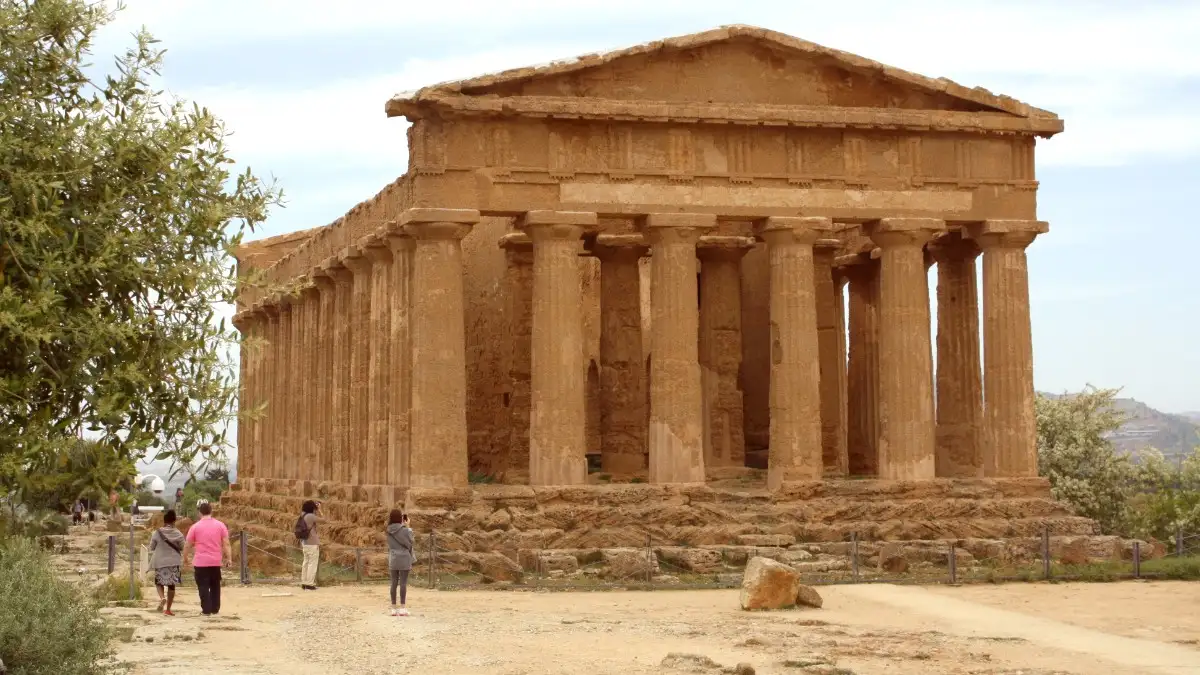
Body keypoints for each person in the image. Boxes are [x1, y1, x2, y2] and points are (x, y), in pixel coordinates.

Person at [183, 499, 230, 616]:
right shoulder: (220, 525)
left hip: (200, 562)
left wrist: (185, 557)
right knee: (215, 585)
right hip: (215, 561)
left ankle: (206, 609)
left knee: (203, 586)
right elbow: (226, 543)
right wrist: (229, 558)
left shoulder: (195, 527)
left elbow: (188, 544)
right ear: (211, 511)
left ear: (199, 512)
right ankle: (215, 608)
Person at [149, 510, 186, 616]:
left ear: (164, 521)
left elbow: (152, 547)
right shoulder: (178, 533)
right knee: (171, 586)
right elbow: (183, 547)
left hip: (160, 562)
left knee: (158, 582)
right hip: (173, 562)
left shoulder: (157, 533)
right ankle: (168, 609)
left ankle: (162, 598)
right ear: (174, 521)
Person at [385, 510, 414, 617]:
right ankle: (402, 608)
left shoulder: (388, 530)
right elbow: (411, 542)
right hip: (404, 558)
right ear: (400, 518)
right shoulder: (405, 530)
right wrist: (408, 527)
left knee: (393, 583)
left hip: (393, 557)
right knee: (403, 583)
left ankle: (393, 608)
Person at [297, 500, 320, 591]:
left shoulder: (302, 515)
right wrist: (320, 510)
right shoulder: (310, 516)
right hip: (312, 543)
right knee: (312, 564)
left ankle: (304, 582)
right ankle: (310, 584)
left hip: (304, 542)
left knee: (306, 563)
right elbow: (325, 520)